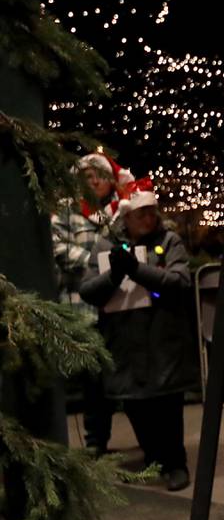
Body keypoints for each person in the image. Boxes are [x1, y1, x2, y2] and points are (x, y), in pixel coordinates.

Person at [79, 179, 196, 491]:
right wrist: (116, 274)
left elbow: (180, 282)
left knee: (168, 406)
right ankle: (155, 457)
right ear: (127, 216)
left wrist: (137, 270)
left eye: (152, 212)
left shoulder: (169, 241)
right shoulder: (106, 246)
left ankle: (175, 463)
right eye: (141, 213)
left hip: (163, 341)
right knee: (137, 406)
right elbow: (89, 290)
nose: (149, 218)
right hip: (125, 345)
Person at [51, 152, 136, 455]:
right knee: (94, 381)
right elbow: (60, 249)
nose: (95, 181)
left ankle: (150, 440)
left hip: (121, 304)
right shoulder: (66, 212)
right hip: (83, 306)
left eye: (100, 176)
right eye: (88, 177)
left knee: (124, 373)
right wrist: (100, 265)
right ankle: (96, 442)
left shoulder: (124, 209)